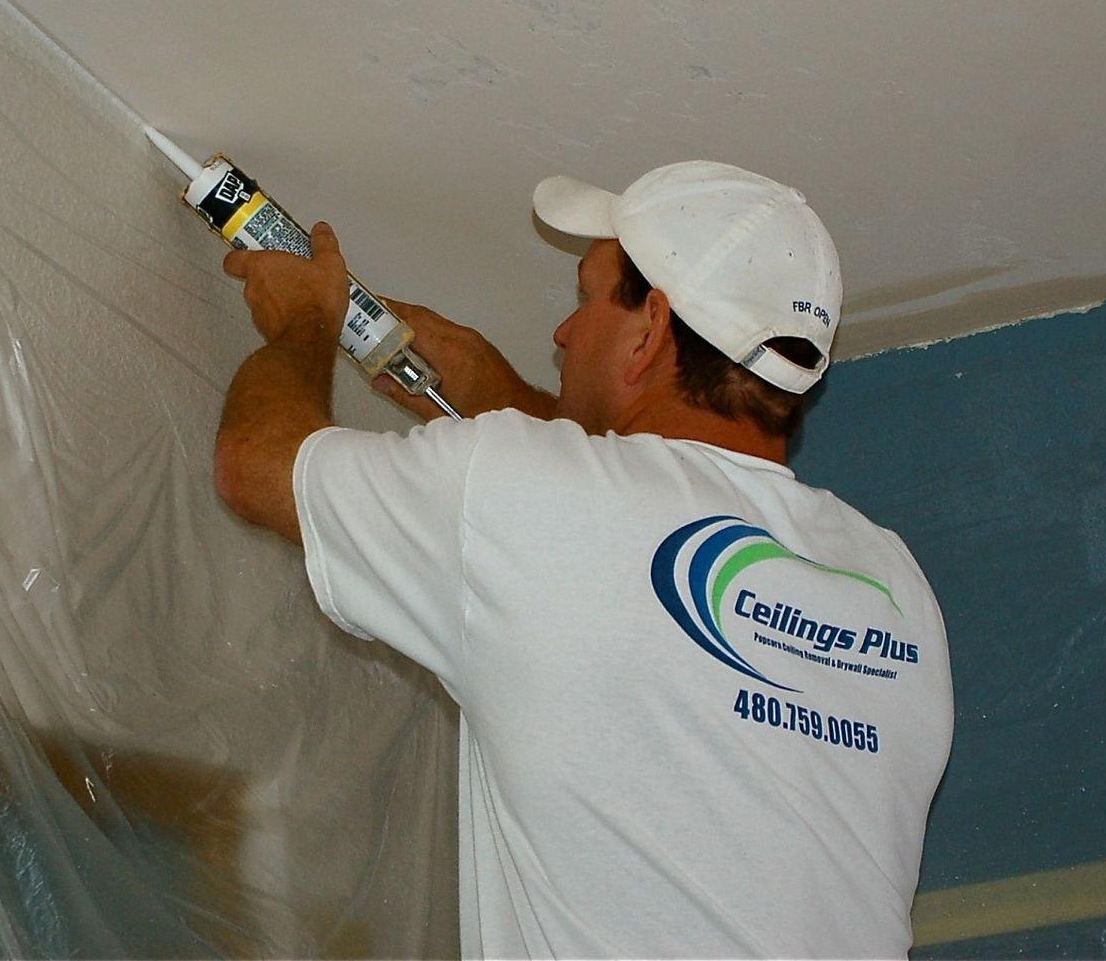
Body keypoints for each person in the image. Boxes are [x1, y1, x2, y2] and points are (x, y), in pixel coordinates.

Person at [213, 160, 953, 959]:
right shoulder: (891, 584)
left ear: (649, 330)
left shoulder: (522, 491)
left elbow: (255, 463)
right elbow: (629, 515)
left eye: (586, 298)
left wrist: (307, 323)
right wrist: (495, 395)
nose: (564, 335)